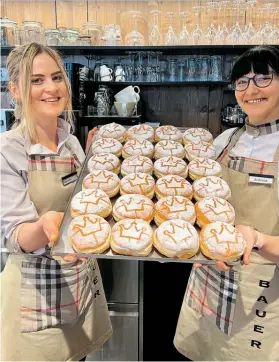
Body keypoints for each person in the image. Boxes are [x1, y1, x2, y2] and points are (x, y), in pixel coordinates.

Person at [0, 43, 112, 361]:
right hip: (36, 297)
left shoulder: (71, 141)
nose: (50, 88)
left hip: (78, 288)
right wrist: (44, 224)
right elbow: (15, 235)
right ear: (15, 90)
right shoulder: (9, 149)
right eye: (36, 80)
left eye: (55, 77)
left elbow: (83, 201)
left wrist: (95, 160)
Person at [174, 45, 279, 361]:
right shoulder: (224, 141)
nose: (251, 89)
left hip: (261, 291)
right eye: (242, 81)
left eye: (263, 78)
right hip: (211, 282)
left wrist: (257, 240)